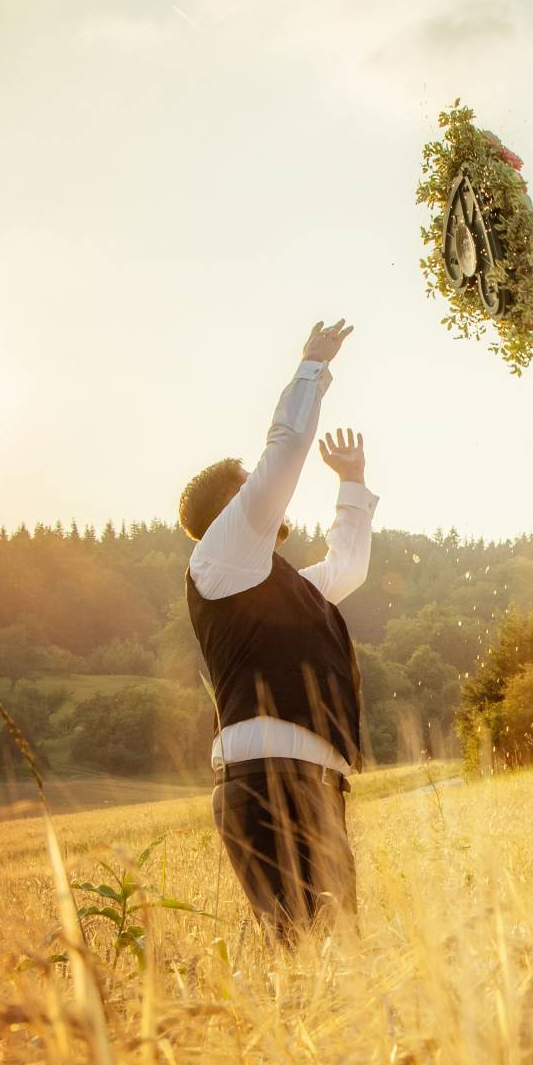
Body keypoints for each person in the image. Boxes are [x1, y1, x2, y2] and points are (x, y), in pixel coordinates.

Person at [179, 318, 376, 938]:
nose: (270, 497)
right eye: (249, 489)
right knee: (298, 949)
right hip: (263, 783)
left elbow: (348, 565)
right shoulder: (220, 558)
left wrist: (352, 482)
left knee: (339, 956)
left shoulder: (284, 582)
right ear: (229, 511)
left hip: (319, 786)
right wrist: (312, 367)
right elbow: (284, 452)